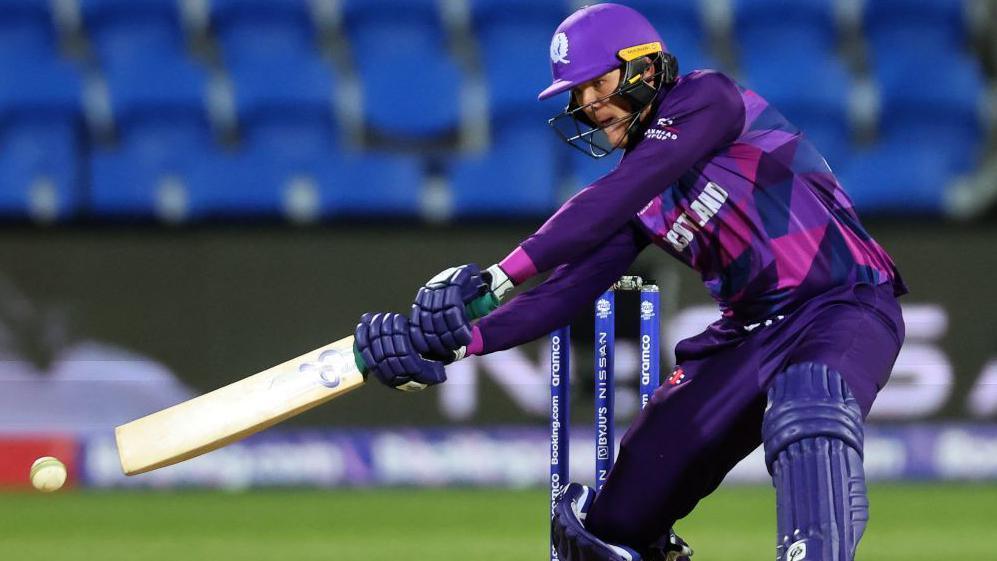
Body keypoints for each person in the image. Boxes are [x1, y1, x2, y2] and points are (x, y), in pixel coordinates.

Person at [353, 4, 907, 561]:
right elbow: (563, 290)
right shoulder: (643, 196)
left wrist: (498, 277)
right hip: (744, 339)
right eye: (578, 94)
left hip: (842, 305)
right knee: (614, 525)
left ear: (642, 67)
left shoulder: (709, 99)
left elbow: (613, 196)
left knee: (808, 402)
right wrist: (454, 341)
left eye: (597, 83)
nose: (589, 105)